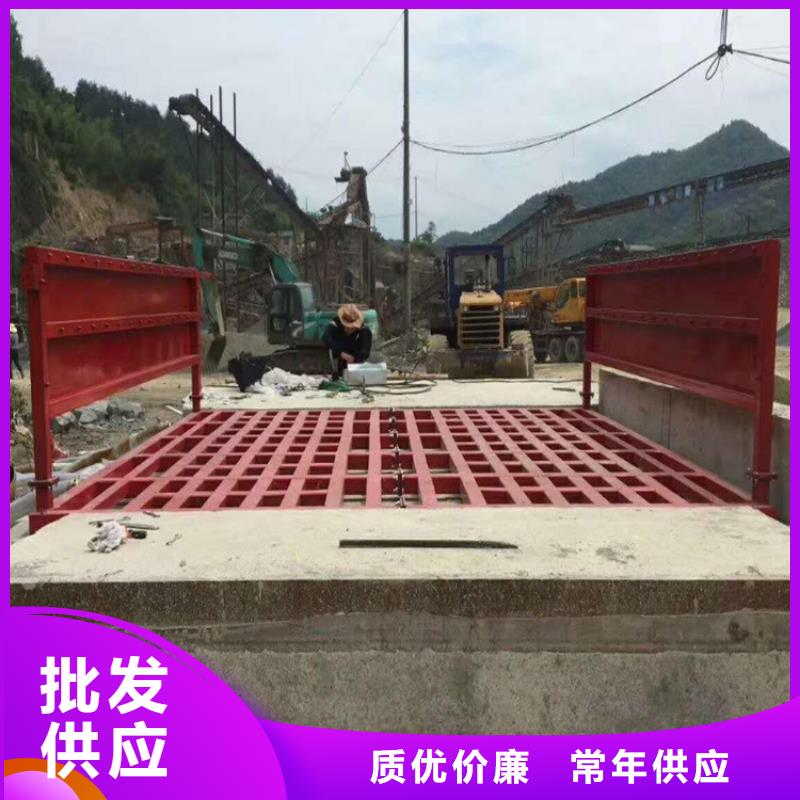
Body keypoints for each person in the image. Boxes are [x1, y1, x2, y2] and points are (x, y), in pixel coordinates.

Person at [322, 304, 372, 380]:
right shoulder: (335, 323)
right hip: (339, 355)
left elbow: (366, 350)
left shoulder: (364, 330)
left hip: (356, 361)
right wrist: (341, 353)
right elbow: (326, 338)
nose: (349, 329)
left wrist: (356, 362)